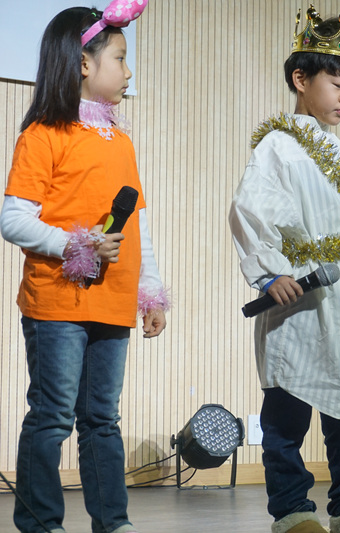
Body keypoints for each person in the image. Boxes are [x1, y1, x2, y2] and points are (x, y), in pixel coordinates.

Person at [228, 6, 340, 533]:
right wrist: (269, 273)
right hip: (300, 298)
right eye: (336, 82)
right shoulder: (277, 145)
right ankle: (293, 510)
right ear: (301, 79)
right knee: (288, 413)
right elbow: (251, 211)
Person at [0, 2, 169, 533]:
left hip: (114, 303)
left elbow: (134, 224)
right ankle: (40, 522)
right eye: (120, 58)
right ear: (83, 65)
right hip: (58, 303)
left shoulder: (121, 141)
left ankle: (111, 522)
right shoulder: (43, 135)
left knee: (102, 420)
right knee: (51, 417)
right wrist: (77, 243)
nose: (128, 70)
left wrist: (150, 288)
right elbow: (14, 219)